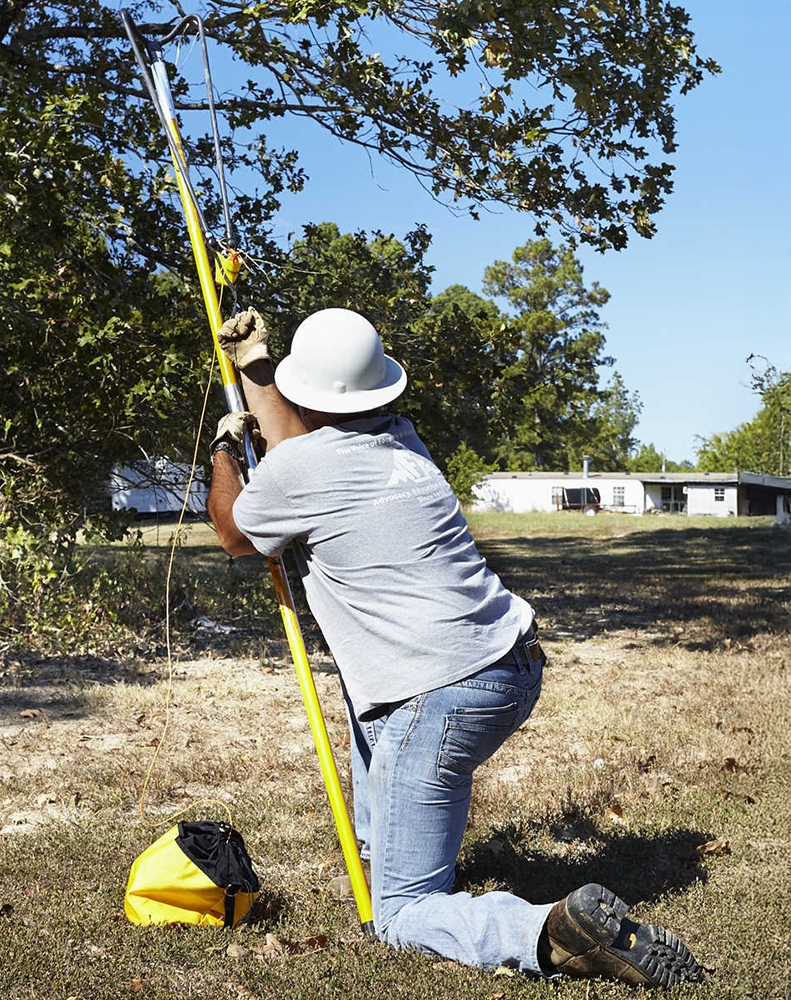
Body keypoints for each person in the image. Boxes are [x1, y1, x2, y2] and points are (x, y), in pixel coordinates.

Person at [206, 306, 701, 987]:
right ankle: (387, 856)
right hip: (509, 661)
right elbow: (301, 447)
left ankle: (551, 931)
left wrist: (225, 448)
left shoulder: (302, 468)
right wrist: (258, 371)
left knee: (401, 914)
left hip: (440, 693)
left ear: (305, 395)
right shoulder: (401, 439)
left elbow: (235, 533)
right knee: (372, 701)